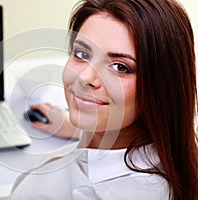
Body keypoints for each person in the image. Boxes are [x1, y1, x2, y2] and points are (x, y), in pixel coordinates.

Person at [10, 0, 198, 199]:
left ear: (161, 87)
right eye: (81, 54)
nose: (85, 78)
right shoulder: (176, 150)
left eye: (120, 67)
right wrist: (73, 127)